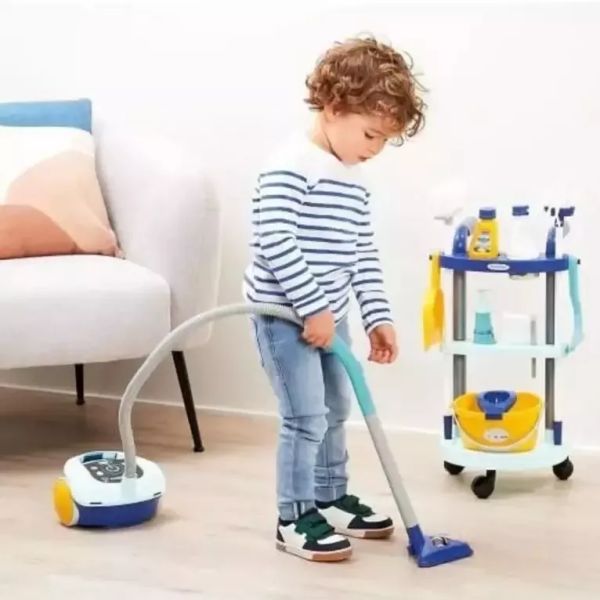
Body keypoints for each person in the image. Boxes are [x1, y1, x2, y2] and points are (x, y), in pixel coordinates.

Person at [243, 35, 425, 562]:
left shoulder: (353, 179)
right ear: (332, 106)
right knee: (305, 416)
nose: (375, 148)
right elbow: (274, 239)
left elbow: (361, 251)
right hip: (285, 317)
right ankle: (294, 516)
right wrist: (312, 308)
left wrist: (377, 316)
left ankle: (328, 495)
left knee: (335, 408)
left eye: (384, 140)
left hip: (329, 317)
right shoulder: (291, 164)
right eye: (370, 133)